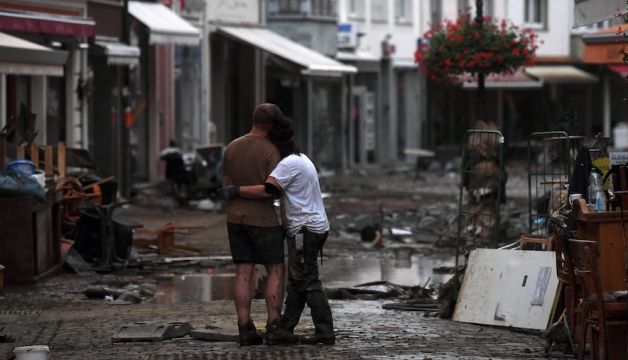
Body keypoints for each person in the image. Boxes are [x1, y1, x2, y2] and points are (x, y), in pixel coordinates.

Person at [225, 116, 336, 345]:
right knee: (297, 281)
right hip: (309, 227)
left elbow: (269, 189)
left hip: (306, 230)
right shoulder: (301, 158)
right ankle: (283, 329)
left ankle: (325, 331)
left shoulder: (288, 165)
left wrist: (236, 190)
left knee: (309, 280)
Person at [219, 103, 285, 346]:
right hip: (264, 219)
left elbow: (226, 183)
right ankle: (273, 324)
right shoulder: (271, 151)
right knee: (275, 270)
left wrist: (237, 191)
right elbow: (271, 190)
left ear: (254, 120)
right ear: (273, 125)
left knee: (244, 271)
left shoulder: (232, 146)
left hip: (235, 217)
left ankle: (245, 327)